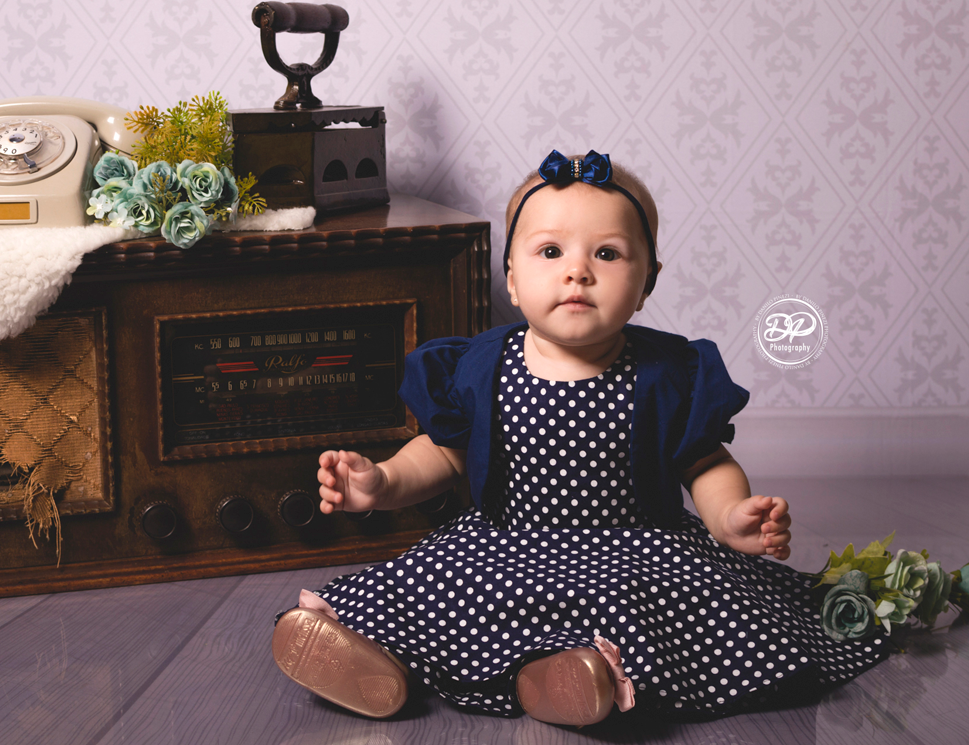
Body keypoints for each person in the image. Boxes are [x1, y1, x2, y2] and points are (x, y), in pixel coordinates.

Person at [271, 150, 888, 726]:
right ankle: (366, 652)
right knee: (431, 581)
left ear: (647, 280)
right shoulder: (481, 366)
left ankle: (573, 677)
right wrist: (380, 482)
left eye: (608, 254)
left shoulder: (668, 372)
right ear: (510, 279)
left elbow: (704, 462)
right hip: (505, 547)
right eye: (549, 252)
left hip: (636, 549)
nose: (577, 271)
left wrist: (729, 516)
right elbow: (442, 452)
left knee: (637, 605)